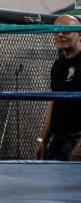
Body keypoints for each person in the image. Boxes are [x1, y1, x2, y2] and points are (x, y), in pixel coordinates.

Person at [35, 15, 81, 161]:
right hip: (59, 141)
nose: (60, 34)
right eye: (56, 31)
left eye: (66, 30)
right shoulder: (58, 65)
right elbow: (53, 102)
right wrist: (42, 140)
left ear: (79, 34)